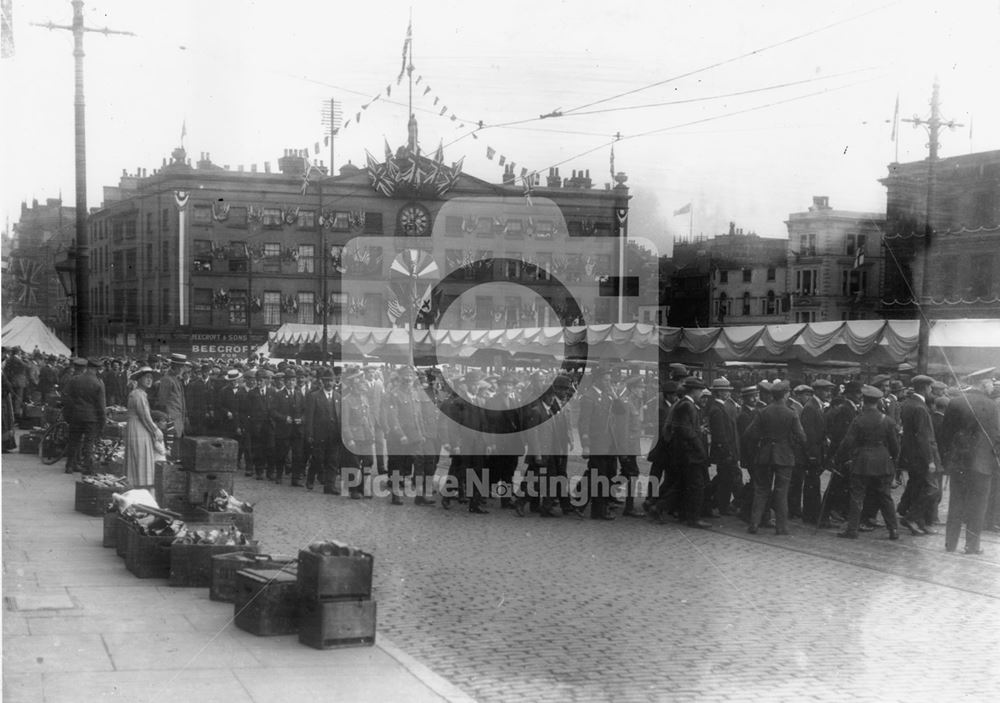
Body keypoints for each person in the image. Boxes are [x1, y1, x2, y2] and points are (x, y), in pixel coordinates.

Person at [939, 372, 1000, 555]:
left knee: (956, 502)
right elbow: (998, 435)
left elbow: (944, 435)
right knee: (978, 506)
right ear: (983, 383)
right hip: (983, 464)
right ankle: (972, 546)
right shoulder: (993, 406)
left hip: (959, 462)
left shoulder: (955, 402)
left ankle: (950, 544)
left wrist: (948, 458)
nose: (992, 385)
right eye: (991, 382)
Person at [834, 385, 900, 540]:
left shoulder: (858, 420)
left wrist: (838, 458)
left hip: (862, 461)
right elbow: (895, 447)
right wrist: (892, 461)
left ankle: (852, 530)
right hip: (883, 461)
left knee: (857, 496)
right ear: (878, 401)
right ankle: (894, 530)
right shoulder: (888, 421)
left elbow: (847, 443)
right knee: (885, 497)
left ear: (864, 400)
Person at [744, 380, 805, 535]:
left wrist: (763, 441)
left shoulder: (763, 412)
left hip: (764, 455)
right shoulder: (791, 413)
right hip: (784, 456)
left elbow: (749, 434)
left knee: (761, 490)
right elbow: (802, 437)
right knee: (781, 492)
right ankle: (781, 527)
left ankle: (754, 524)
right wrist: (790, 443)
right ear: (786, 394)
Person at [897, 375, 942, 536]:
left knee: (917, 487)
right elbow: (923, 437)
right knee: (932, 488)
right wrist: (930, 460)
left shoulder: (908, 404)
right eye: (930, 387)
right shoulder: (921, 408)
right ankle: (911, 517)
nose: (931, 390)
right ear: (925, 388)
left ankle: (919, 521)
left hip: (911, 455)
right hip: (923, 456)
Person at [62, 357, 106, 475]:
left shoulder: (75, 379)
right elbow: (101, 406)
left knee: (73, 441)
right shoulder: (99, 383)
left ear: (87, 367)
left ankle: (69, 466)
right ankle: (88, 468)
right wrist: (103, 421)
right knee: (89, 443)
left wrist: (71, 411)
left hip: (76, 416)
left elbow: (65, 396)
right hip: (91, 418)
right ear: (97, 369)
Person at [124, 367, 163, 491]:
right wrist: (155, 430)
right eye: (146, 377)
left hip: (137, 427)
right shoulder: (138, 395)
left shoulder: (140, 394)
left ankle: (139, 484)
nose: (149, 380)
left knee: (140, 455)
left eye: (151, 378)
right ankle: (140, 485)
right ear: (139, 379)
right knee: (141, 454)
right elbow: (144, 417)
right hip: (138, 428)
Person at [304, 367, 341, 493]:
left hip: (334, 434)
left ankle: (330, 486)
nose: (329, 383)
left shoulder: (338, 397)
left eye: (331, 380)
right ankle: (310, 478)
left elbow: (339, 416)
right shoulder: (314, 396)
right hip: (319, 434)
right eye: (326, 380)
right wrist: (309, 434)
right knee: (317, 459)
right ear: (321, 381)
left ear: (335, 381)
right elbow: (309, 417)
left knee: (332, 461)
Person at [157, 353, 190, 439]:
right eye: (182, 367)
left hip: (178, 421)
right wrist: (167, 419)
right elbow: (162, 402)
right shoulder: (167, 379)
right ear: (177, 367)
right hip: (171, 422)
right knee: (172, 450)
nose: (183, 370)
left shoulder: (176, 379)